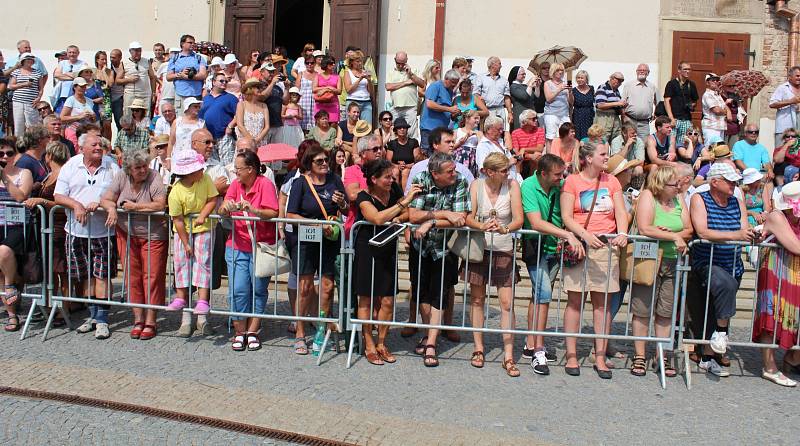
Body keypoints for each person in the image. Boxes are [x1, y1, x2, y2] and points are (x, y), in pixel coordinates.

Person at [560, 141, 629, 379]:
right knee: (575, 301)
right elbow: (567, 216)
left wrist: (622, 233)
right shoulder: (572, 181)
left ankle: (600, 355)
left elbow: (621, 211)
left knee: (603, 305)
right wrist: (584, 235)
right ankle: (571, 355)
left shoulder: (612, 181)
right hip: (580, 245)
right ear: (589, 158)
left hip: (606, 247)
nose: (606, 158)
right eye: (603, 154)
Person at [688, 162, 759, 377]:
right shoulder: (700, 199)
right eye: (729, 181)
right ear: (715, 181)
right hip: (707, 261)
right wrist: (736, 236)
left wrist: (754, 233)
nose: (734, 184)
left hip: (733, 263)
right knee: (723, 289)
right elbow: (702, 231)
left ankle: (710, 356)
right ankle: (719, 336)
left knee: (719, 307)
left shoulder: (737, 201)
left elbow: (744, 227)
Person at [462, 153, 524, 376]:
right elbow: (468, 216)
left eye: (507, 169)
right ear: (490, 171)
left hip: (504, 248)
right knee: (477, 299)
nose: (507, 173)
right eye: (503, 170)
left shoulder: (512, 185)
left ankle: (508, 355)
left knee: (507, 303)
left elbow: (519, 218)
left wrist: (505, 228)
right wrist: (480, 226)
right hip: (480, 248)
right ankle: (478, 348)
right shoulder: (476, 185)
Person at [54, 133, 121, 339]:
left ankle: (102, 319)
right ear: (81, 148)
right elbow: (58, 195)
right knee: (86, 276)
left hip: (103, 231)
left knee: (102, 275)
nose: (99, 148)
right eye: (94, 145)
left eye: (100, 145)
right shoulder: (71, 165)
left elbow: (120, 193)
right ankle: (92, 316)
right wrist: (76, 205)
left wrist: (104, 203)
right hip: (76, 231)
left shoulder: (112, 166)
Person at [520, 154, 582, 374]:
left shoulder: (560, 185)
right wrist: (568, 235)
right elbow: (535, 222)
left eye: (562, 173)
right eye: (557, 174)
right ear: (543, 173)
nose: (561, 177)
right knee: (544, 294)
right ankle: (538, 350)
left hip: (554, 249)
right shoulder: (528, 186)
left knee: (539, 295)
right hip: (536, 247)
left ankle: (530, 343)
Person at [407, 151, 470, 367]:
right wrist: (442, 215)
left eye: (454, 169)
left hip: (445, 247)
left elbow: (460, 218)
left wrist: (431, 222)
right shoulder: (420, 179)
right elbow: (413, 215)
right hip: (420, 246)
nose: (455, 173)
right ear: (435, 174)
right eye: (449, 171)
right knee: (422, 291)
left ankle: (431, 342)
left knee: (440, 293)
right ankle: (428, 333)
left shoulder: (460, 181)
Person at [354, 159, 419, 365]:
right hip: (367, 249)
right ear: (374, 179)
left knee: (388, 299)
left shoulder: (395, 190)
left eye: (392, 177)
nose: (392, 180)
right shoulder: (363, 196)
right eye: (387, 177)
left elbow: (408, 212)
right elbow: (377, 218)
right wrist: (402, 205)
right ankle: (368, 342)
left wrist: (400, 216)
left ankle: (382, 342)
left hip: (388, 248)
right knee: (366, 298)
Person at [628, 165, 691, 378]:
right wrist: (673, 235)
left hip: (673, 260)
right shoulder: (648, 196)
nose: (678, 187)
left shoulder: (678, 199)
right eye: (674, 184)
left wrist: (666, 232)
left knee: (665, 311)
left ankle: (661, 354)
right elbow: (646, 228)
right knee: (642, 308)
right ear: (661, 184)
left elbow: (689, 228)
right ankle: (639, 355)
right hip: (649, 258)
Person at [285, 144, 347, 355]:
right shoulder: (300, 183)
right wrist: (315, 224)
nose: (324, 164)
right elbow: (290, 215)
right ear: (309, 164)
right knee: (305, 288)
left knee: (328, 287)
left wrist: (343, 204)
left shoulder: (335, 180)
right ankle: (300, 333)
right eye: (319, 161)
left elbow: (345, 209)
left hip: (330, 240)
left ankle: (321, 330)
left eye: (326, 160)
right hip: (306, 240)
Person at [100, 150, 168, 341]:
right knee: (132, 276)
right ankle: (138, 319)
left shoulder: (154, 177)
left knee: (152, 277)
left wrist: (134, 207)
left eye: (144, 166)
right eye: (138, 167)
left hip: (153, 234)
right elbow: (106, 198)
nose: (142, 170)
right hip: (126, 233)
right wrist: (112, 208)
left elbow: (160, 204)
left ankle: (151, 321)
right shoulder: (121, 176)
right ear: (129, 169)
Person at [218, 150, 279, 351]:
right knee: (237, 290)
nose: (235, 172)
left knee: (259, 290)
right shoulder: (235, 185)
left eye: (238, 169)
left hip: (261, 246)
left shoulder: (266, 184)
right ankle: (239, 331)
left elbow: (273, 212)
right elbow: (222, 209)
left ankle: (253, 331)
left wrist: (252, 210)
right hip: (237, 244)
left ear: (251, 169)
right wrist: (226, 208)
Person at [164, 149, 218, 336]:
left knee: (203, 265)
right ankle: (181, 298)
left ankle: (202, 302)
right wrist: (186, 243)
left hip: (203, 229)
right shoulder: (176, 191)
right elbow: (177, 220)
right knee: (181, 264)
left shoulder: (206, 181)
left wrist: (203, 215)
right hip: (183, 232)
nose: (202, 171)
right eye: (198, 169)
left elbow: (213, 199)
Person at [753, 182, 800, 387]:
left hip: (794, 273)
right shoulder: (777, 216)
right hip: (776, 271)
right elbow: (795, 246)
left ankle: (792, 358)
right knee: (771, 316)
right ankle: (769, 366)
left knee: (794, 316)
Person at [23, 141, 70, 312]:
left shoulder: (63, 175)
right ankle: (50, 306)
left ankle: (64, 308)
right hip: (47, 228)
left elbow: (62, 202)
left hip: (59, 227)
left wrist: (41, 200)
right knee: (51, 270)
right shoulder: (49, 175)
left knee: (62, 270)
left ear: (49, 156)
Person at [0, 137, 34, 331]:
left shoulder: (24, 173)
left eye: (9, 153)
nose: (5, 157)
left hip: (17, 225)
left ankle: (11, 286)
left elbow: (21, 196)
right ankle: (12, 315)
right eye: (1, 154)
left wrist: (4, 177)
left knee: (4, 252)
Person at [386, 51, 425, 139]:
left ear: (406, 60)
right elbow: (388, 86)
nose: (400, 65)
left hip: (410, 107)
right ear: (395, 60)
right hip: (396, 107)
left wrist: (410, 74)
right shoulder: (391, 72)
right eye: (398, 63)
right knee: (394, 132)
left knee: (411, 133)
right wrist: (406, 82)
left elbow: (422, 84)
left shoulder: (414, 71)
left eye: (402, 63)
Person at [420, 69, 460, 156]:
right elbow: (429, 104)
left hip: (441, 130)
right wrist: (449, 109)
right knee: (427, 155)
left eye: (456, 83)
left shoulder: (449, 90)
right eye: (453, 82)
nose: (454, 85)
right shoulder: (435, 86)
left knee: (440, 156)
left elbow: (445, 109)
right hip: (429, 129)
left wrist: (453, 113)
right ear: (446, 78)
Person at [167, 34, 208, 116]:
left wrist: (189, 77)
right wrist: (179, 75)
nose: (192, 45)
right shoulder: (175, 58)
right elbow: (168, 77)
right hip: (181, 94)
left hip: (196, 94)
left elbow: (203, 75)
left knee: (195, 118)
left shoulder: (199, 58)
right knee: (181, 119)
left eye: (193, 43)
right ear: (182, 44)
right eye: (190, 42)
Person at [622, 64, 660, 143]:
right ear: (636, 72)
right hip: (630, 121)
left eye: (644, 70)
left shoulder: (652, 87)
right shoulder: (628, 85)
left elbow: (658, 103)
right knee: (629, 143)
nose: (642, 71)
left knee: (644, 145)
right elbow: (622, 103)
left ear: (648, 73)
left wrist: (655, 114)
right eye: (640, 70)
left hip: (644, 123)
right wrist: (624, 117)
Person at [9, 53, 44, 136]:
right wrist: (24, 84)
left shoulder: (38, 72)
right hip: (18, 101)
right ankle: (19, 145)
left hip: (31, 102)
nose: (30, 61)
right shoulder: (16, 72)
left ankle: (32, 145)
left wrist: (38, 98)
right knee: (18, 126)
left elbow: (41, 88)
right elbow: (11, 86)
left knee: (32, 126)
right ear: (23, 61)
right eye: (28, 59)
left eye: (31, 59)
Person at [664, 61, 699, 144]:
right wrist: (671, 118)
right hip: (674, 119)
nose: (688, 71)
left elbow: (695, 101)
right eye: (685, 69)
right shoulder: (671, 84)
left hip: (686, 120)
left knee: (685, 144)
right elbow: (666, 101)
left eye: (689, 69)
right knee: (671, 144)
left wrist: (692, 105)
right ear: (679, 70)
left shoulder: (691, 84)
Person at [475, 116, 519, 181]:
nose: (501, 132)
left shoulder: (501, 142)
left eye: (502, 129)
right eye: (498, 129)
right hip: (495, 186)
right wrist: (508, 163)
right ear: (488, 129)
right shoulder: (483, 146)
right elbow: (484, 170)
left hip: (509, 183)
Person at [474, 56, 513, 130]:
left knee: (501, 132)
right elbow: (476, 95)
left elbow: (507, 98)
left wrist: (510, 112)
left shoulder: (504, 80)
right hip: (487, 111)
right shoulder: (481, 78)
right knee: (487, 132)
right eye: (499, 64)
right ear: (493, 65)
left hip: (501, 110)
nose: (501, 66)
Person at [119, 42, 155, 120]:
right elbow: (118, 80)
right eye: (135, 51)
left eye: (139, 50)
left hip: (145, 94)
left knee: (145, 117)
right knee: (128, 116)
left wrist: (153, 93)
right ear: (130, 51)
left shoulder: (146, 61)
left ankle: (144, 132)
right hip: (130, 94)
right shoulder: (124, 63)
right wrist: (129, 80)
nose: (137, 53)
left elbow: (152, 78)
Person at [199, 72, 238, 141]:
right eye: (221, 81)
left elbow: (239, 115)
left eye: (226, 81)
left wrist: (230, 126)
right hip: (208, 138)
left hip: (225, 137)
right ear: (213, 82)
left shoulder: (231, 98)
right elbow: (200, 117)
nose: (224, 83)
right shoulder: (205, 98)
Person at [542, 63, 573, 150]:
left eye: (562, 70)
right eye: (558, 70)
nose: (560, 72)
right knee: (551, 138)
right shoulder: (548, 83)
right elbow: (548, 98)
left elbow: (571, 102)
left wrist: (570, 92)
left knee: (566, 136)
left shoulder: (565, 83)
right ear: (553, 71)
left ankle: (562, 157)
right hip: (551, 113)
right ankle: (550, 160)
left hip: (564, 114)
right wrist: (559, 89)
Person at [769, 66, 800, 150]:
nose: (799, 78)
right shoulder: (782, 88)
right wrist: (791, 101)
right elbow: (772, 104)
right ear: (790, 77)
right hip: (784, 128)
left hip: (798, 128)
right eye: (797, 76)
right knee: (780, 153)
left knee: (796, 155)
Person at [59, 77, 96, 148]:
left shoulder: (90, 101)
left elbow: (93, 120)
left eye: (84, 86)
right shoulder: (70, 100)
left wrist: (93, 117)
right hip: (73, 131)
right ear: (75, 87)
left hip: (87, 132)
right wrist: (79, 117)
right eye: (81, 86)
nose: (83, 88)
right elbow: (62, 118)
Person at [386, 117, 419, 188]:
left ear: (407, 129)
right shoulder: (392, 144)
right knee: (395, 171)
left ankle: (405, 196)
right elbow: (388, 161)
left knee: (405, 172)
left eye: (404, 127)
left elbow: (417, 159)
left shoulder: (413, 142)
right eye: (399, 128)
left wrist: (407, 166)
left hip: (410, 167)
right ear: (396, 130)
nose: (402, 129)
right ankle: (396, 195)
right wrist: (397, 166)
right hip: (396, 167)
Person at [343, 50, 374, 126]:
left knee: (366, 126)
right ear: (352, 62)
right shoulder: (348, 72)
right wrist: (360, 79)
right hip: (353, 101)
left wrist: (369, 80)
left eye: (361, 61)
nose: (360, 63)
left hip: (366, 102)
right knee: (351, 125)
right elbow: (349, 90)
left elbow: (371, 92)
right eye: (357, 61)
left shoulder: (365, 71)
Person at [511, 109, 545, 177]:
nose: (536, 120)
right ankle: (518, 180)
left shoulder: (540, 131)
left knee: (537, 155)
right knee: (517, 159)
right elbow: (516, 151)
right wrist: (529, 156)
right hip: (522, 158)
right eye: (533, 119)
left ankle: (533, 179)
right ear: (525, 121)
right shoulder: (515, 133)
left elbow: (540, 148)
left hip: (533, 159)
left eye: (536, 118)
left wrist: (524, 149)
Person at [593, 72, 626, 143]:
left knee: (616, 141)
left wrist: (622, 105)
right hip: (604, 118)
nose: (620, 83)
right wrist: (617, 103)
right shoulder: (603, 87)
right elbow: (600, 105)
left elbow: (617, 105)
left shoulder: (616, 91)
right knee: (602, 141)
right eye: (618, 80)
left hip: (615, 118)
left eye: (621, 81)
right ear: (611, 78)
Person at [52, 45, 85, 114]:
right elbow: (57, 75)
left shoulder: (83, 64)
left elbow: (82, 77)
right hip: (63, 94)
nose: (72, 54)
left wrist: (66, 73)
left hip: (76, 95)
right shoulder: (62, 63)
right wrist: (74, 76)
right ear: (67, 53)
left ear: (78, 53)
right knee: (60, 114)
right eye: (70, 52)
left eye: (74, 52)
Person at [312, 56, 342, 124]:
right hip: (320, 104)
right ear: (326, 64)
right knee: (320, 125)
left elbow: (339, 91)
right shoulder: (318, 76)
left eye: (334, 63)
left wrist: (327, 89)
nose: (334, 64)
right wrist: (328, 88)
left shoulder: (337, 77)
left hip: (333, 105)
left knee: (333, 125)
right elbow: (314, 89)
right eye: (331, 63)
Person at [701, 73, 730, 145]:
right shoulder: (707, 95)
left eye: (717, 80)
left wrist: (728, 111)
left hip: (720, 127)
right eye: (713, 80)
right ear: (707, 82)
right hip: (711, 127)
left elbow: (724, 106)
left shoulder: (717, 94)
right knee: (710, 151)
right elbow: (717, 110)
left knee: (719, 152)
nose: (715, 82)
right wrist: (727, 112)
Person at [453, 110, 482, 178]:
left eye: (478, 119)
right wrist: (461, 141)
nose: (478, 121)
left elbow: (481, 147)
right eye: (475, 118)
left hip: (472, 159)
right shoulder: (457, 131)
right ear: (467, 119)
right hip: (458, 158)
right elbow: (451, 147)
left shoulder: (479, 133)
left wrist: (477, 135)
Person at [509, 66, 537, 130]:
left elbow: (535, 96)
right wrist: (530, 84)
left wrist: (537, 86)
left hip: (531, 114)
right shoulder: (513, 87)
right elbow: (524, 97)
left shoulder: (524, 86)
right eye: (522, 74)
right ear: (516, 74)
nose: (524, 75)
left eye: (525, 74)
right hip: (521, 114)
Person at [570, 70, 595, 141]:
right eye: (578, 78)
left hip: (589, 115)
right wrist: (570, 93)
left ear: (586, 79)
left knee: (589, 135)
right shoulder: (573, 90)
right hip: (578, 115)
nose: (579, 79)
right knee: (578, 136)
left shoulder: (592, 89)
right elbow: (571, 103)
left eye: (582, 78)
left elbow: (594, 101)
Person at [297, 55, 317, 132]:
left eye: (312, 63)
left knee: (313, 126)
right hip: (302, 102)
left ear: (315, 64)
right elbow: (297, 89)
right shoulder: (301, 74)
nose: (309, 65)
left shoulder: (318, 75)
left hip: (313, 102)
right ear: (304, 64)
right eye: (307, 63)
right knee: (301, 126)